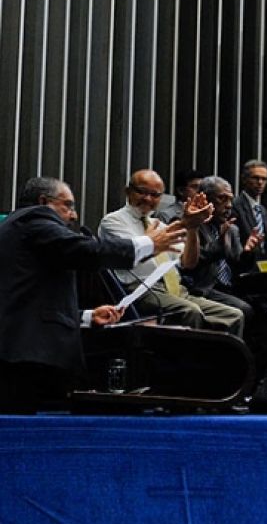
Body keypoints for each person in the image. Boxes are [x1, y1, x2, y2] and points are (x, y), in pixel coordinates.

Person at [0, 176, 185, 412]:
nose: (74, 215)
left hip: (21, 351)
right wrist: (147, 243)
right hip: (26, 355)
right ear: (44, 201)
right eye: (68, 205)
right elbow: (87, 250)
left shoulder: (18, 228)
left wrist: (87, 316)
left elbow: (31, 302)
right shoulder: (35, 219)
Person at [99, 169, 245, 338]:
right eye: (142, 192)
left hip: (175, 288)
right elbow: (133, 254)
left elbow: (188, 263)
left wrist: (192, 227)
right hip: (140, 289)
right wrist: (155, 238)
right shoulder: (113, 221)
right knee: (190, 311)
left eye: (155, 195)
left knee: (234, 315)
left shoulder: (159, 225)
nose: (148, 199)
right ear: (128, 191)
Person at [182, 176, 262, 326]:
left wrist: (248, 251)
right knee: (244, 309)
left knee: (264, 309)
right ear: (205, 199)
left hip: (230, 288)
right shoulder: (194, 224)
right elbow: (191, 263)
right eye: (222, 199)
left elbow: (239, 266)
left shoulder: (232, 229)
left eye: (231, 199)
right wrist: (219, 244)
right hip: (203, 288)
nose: (229, 205)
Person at [230, 159, 267, 265]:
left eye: (264, 179)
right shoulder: (234, 206)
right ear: (244, 179)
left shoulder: (263, 211)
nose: (260, 182)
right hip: (242, 266)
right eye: (255, 178)